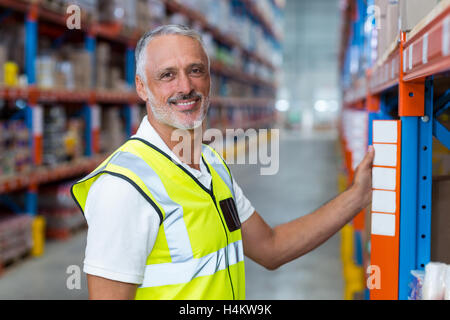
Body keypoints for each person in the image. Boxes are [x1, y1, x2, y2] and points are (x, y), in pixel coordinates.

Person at [71, 25, 374, 300]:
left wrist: (356, 196)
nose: (185, 86)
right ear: (141, 87)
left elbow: (271, 247)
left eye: (196, 70)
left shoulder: (211, 163)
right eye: (167, 75)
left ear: (209, 79)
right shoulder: (124, 187)